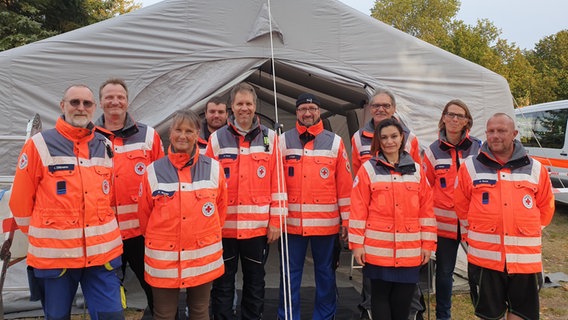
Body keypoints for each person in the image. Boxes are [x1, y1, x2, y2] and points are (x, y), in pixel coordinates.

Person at [9, 85, 124, 320]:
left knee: (111, 315)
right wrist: (44, 235)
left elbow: (108, 197)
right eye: (74, 102)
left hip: (102, 255)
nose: (80, 108)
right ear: (62, 106)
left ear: (94, 108)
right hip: (55, 257)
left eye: (86, 103)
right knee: (57, 316)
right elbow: (20, 202)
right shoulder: (39, 145)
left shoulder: (105, 146)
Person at [455, 113, 555, 320]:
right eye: (491, 131)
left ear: (514, 134)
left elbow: (546, 209)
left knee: (521, 313)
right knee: (490, 315)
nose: (495, 136)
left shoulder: (535, 168)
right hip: (485, 258)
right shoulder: (470, 167)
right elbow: (462, 206)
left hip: (525, 259)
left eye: (501, 131)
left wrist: (526, 231)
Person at [206, 82, 287, 319]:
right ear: (232, 106)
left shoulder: (271, 139)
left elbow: (279, 183)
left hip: (258, 230)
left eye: (248, 104)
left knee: (255, 283)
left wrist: (276, 221)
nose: (244, 108)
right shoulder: (217, 140)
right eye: (239, 103)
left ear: (255, 106)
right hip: (224, 229)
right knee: (222, 284)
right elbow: (207, 184)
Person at [137, 110, 227, 320]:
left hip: (202, 257)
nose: (183, 136)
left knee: (199, 311)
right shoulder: (153, 171)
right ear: (170, 132)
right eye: (178, 129)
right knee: (164, 314)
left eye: (189, 131)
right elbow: (144, 217)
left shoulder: (214, 168)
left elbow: (220, 211)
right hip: (163, 259)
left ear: (197, 134)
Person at [349, 118, 436, 320]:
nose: (389, 141)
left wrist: (428, 244)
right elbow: (358, 209)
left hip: (409, 250)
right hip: (378, 250)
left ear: (402, 138)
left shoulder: (416, 171)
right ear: (378, 141)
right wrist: (356, 245)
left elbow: (426, 211)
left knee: (403, 303)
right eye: (384, 137)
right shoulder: (368, 169)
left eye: (394, 136)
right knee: (379, 300)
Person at [277, 93, 352, 319]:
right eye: (302, 109)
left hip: (326, 226)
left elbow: (345, 187)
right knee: (290, 276)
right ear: (296, 112)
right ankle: (288, 316)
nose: (307, 113)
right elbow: (275, 183)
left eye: (312, 108)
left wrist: (347, 222)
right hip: (291, 225)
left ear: (319, 111)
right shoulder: (283, 141)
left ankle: (324, 316)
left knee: (326, 275)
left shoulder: (335, 142)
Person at [95, 78, 164, 316]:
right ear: (100, 102)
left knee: (155, 288)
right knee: (107, 293)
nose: (115, 102)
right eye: (109, 97)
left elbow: (162, 183)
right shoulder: (87, 137)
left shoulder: (149, 136)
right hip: (104, 233)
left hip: (142, 232)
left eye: (120, 97)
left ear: (127, 101)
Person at [423, 99, 481, 320]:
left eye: (460, 115)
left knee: (478, 270)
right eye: (451, 114)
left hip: (473, 223)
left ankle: (483, 311)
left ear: (467, 121)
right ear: (443, 118)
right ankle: (443, 316)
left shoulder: (479, 147)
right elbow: (425, 188)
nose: (455, 119)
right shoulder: (432, 151)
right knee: (445, 273)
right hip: (444, 225)